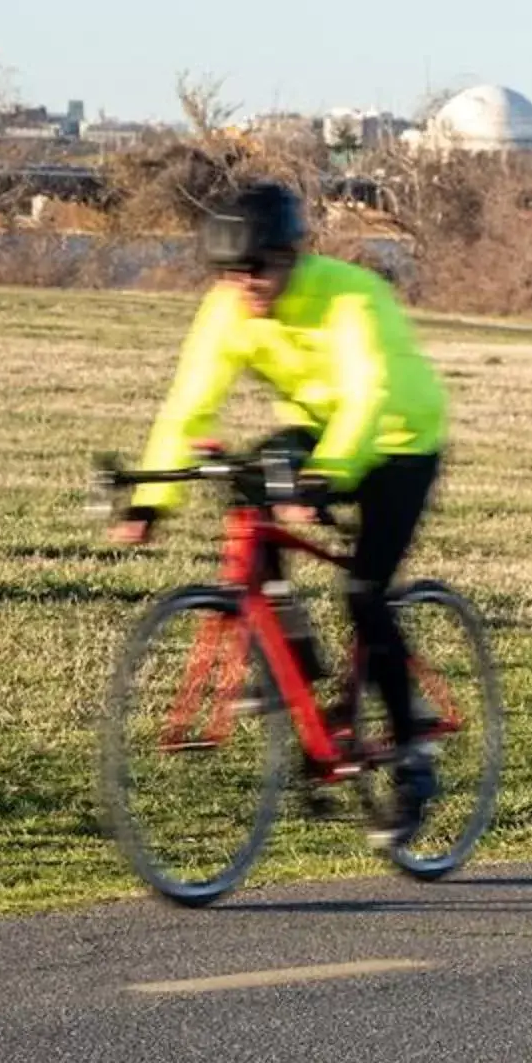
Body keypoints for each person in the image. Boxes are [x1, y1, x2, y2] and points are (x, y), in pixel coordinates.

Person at [110, 182, 453, 845]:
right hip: (318, 430)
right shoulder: (228, 310)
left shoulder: (351, 296)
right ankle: (295, 671)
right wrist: (152, 499)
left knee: (363, 590)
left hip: (401, 439)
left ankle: (413, 752)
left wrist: (327, 478)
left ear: (291, 255)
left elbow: (369, 395)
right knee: (247, 491)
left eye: (258, 268)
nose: (245, 285)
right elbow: (190, 404)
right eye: (229, 273)